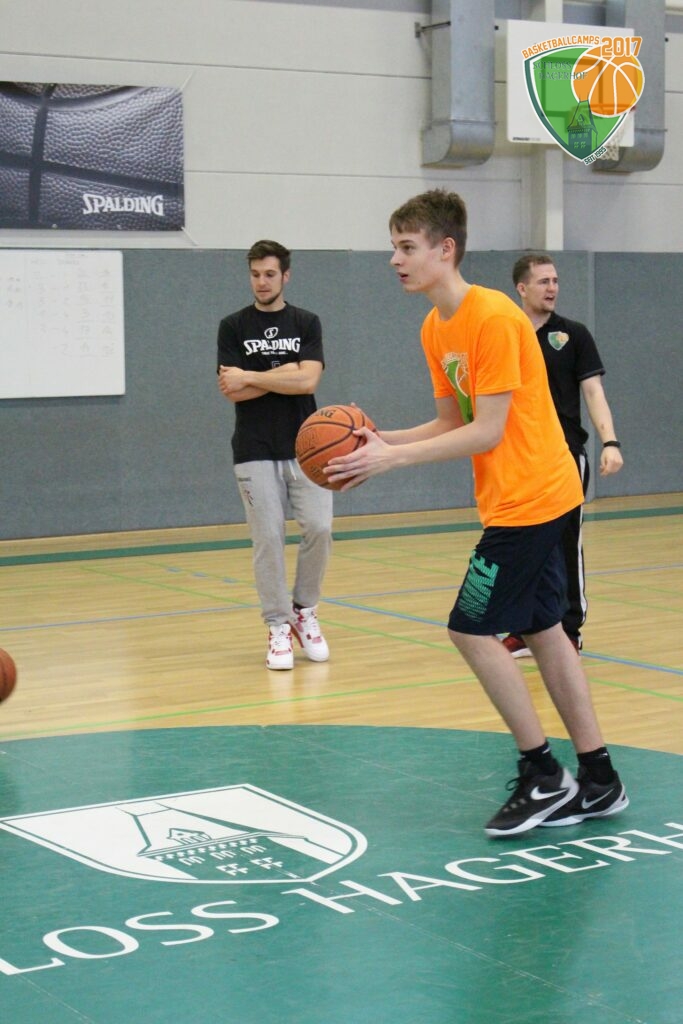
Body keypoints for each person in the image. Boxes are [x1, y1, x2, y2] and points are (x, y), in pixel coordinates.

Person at [326, 189, 628, 838]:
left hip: (532, 496)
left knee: (469, 629)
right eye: (393, 247)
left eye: (406, 247)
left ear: (445, 249)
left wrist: (392, 461)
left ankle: (541, 772)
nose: (394, 260)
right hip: (521, 496)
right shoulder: (435, 328)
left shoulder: (492, 317)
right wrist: (377, 442)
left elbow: (488, 430)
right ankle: (599, 778)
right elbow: (450, 421)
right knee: (544, 630)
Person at [217, 239, 332, 671]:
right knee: (267, 537)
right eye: (255, 274)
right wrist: (286, 372)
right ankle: (278, 625)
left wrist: (252, 375)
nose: (261, 282)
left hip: (308, 445)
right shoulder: (232, 326)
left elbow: (308, 382)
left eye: (269, 274)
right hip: (253, 448)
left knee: (320, 527)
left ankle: (304, 610)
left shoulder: (307, 322)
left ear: (286, 275)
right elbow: (233, 390)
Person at [501, 254, 624, 658]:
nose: (552, 288)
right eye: (543, 281)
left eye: (555, 280)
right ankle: (525, 628)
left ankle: (569, 629)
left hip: (564, 456)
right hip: (516, 457)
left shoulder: (574, 334)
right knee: (520, 545)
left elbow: (593, 392)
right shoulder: (506, 333)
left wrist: (610, 442)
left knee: (565, 542)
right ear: (521, 288)